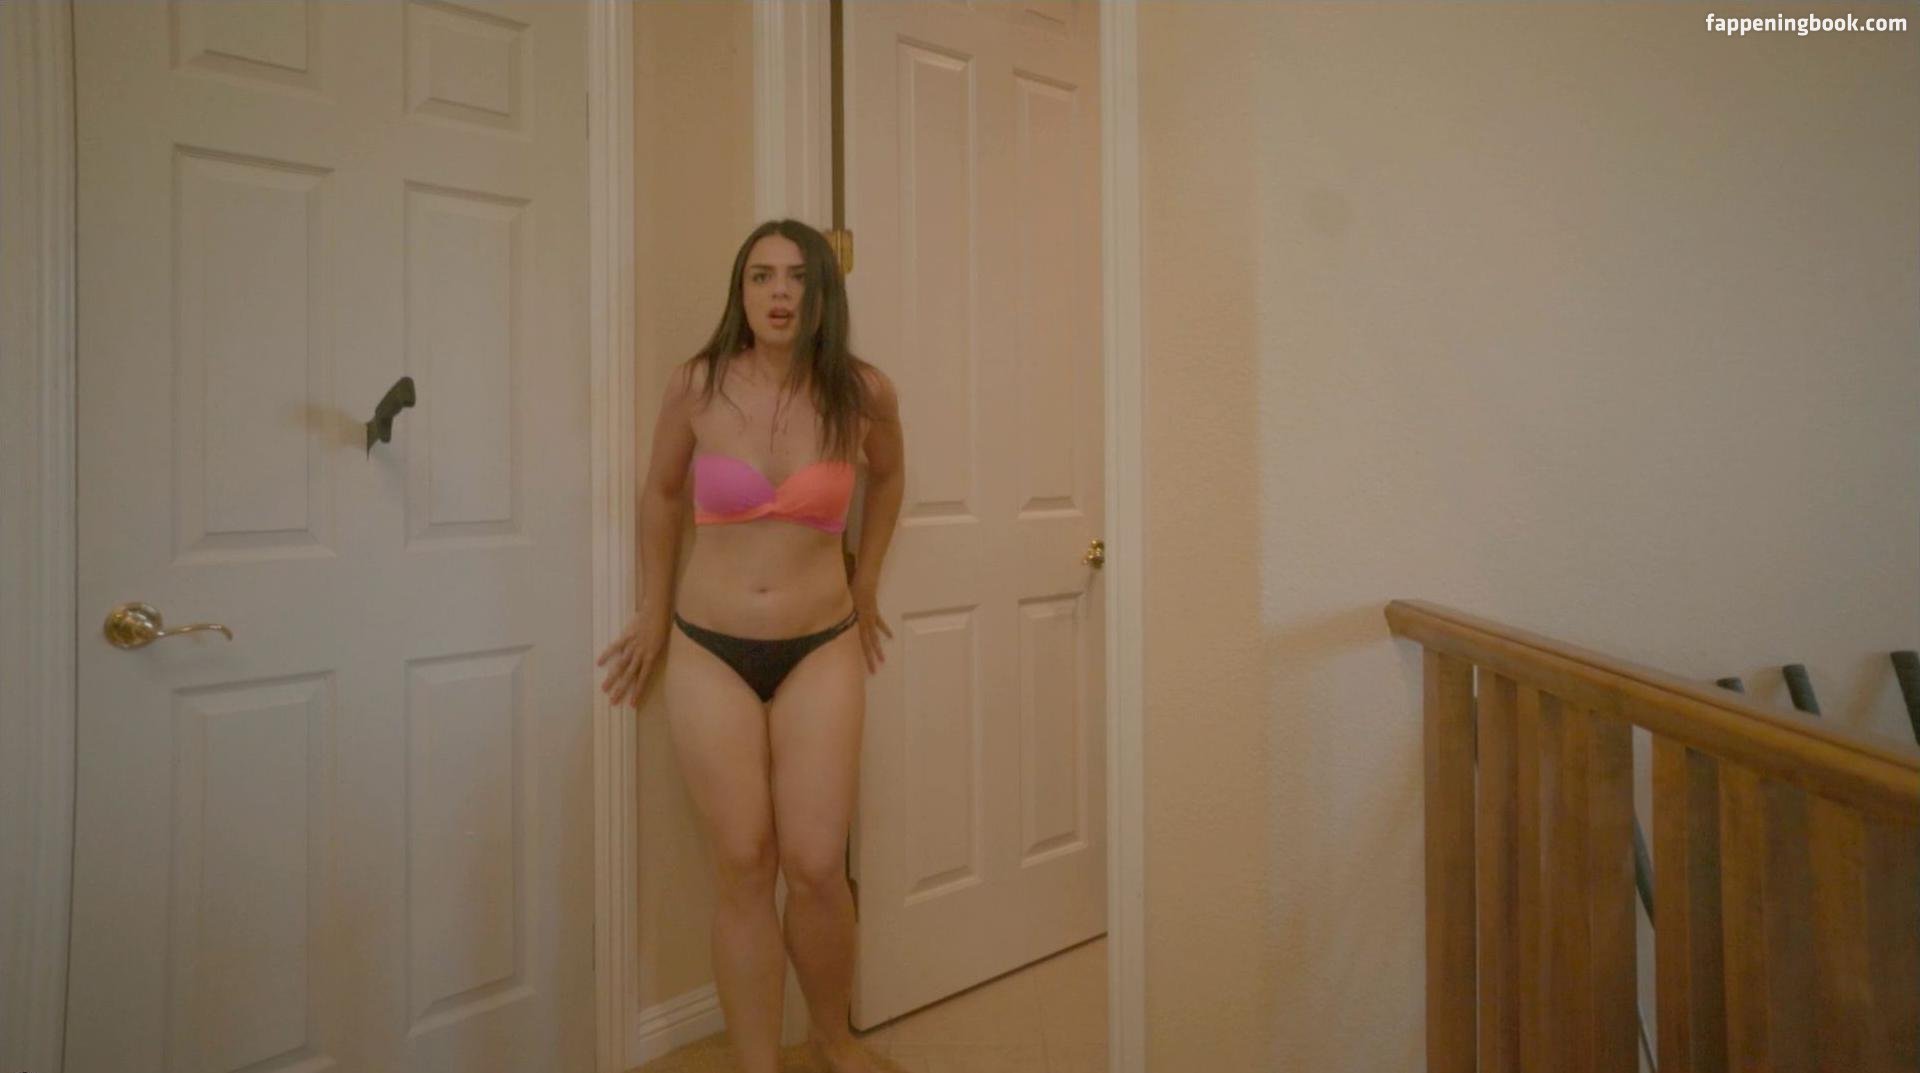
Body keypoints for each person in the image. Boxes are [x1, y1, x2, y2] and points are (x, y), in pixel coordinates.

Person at [596, 219, 906, 1073]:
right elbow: (661, 494)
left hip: (822, 647)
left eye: (797, 277)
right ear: (740, 290)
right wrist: (653, 608)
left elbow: (890, 478)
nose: (779, 293)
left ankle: (833, 1037)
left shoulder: (863, 392)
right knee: (741, 860)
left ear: (822, 292)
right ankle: (756, 1062)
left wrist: (868, 579)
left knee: (815, 863)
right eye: (761, 276)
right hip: (709, 649)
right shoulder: (697, 384)